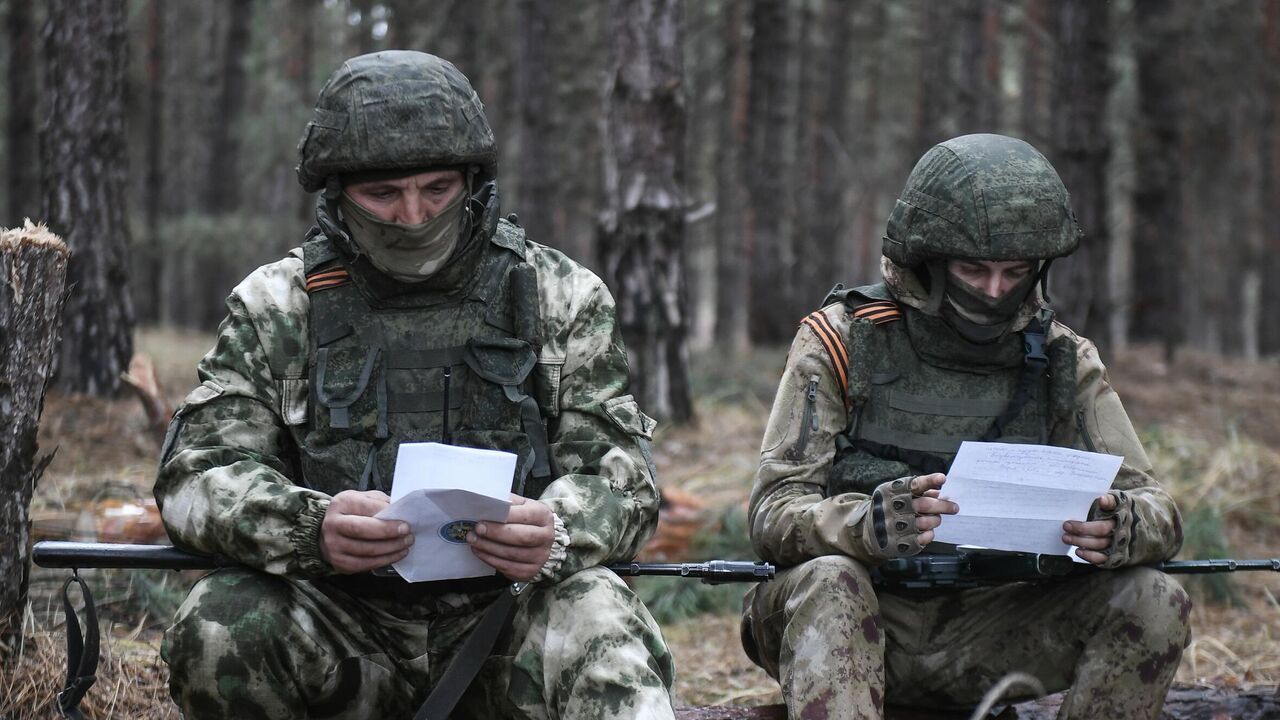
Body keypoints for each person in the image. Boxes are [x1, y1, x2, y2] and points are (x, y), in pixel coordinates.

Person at [154, 51, 675, 720]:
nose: (412, 216)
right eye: (383, 194)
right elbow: (198, 473)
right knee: (221, 622)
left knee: (603, 617)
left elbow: (623, 475)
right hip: (342, 625)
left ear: (472, 180)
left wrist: (558, 529)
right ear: (337, 191)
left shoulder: (558, 295)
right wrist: (309, 527)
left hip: (505, 627)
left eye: (436, 188)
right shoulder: (281, 302)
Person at [739, 133, 1191, 719]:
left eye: (1015, 272)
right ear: (927, 261)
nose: (996, 290)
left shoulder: (1060, 359)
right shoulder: (843, 340)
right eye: (974, 270)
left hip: (995, 627)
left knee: (1155, 598)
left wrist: (1122, 527)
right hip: (856, 618)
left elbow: (1157, 508)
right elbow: (773, 510)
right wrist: (863, 526)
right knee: (831, 580)